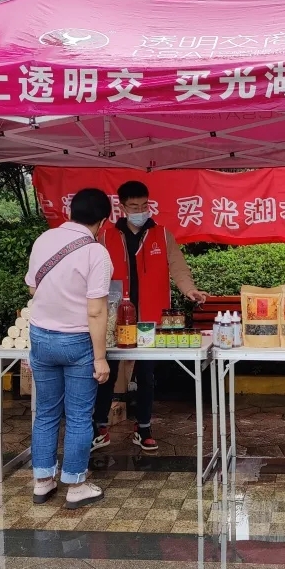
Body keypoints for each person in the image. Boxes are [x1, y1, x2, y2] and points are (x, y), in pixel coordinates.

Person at [93, 180, 209, 452]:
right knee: (106, 373)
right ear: (122, 207)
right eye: (134, 206)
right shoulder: (106, 237)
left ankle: (143, 427)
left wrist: (189, 290)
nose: (140, 211)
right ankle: (99, 427)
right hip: (114, 319)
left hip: (150, 321)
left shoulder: (162, 234)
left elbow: (178, 268)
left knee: (146, 375)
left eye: (144, 205)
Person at [25, 188, 113, 508]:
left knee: (46, 413)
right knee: (78, 416)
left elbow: (33, 287)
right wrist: (100, 358)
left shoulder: (43, 240)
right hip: (77, 342)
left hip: (40, 337)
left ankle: (42, 482)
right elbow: (96, 311)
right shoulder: (96, 252)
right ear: (103, 221)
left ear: (70, 212)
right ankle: (76, 486)